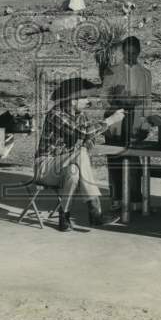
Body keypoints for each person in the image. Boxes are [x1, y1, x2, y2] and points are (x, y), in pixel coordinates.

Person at [34, 77, 125, 231]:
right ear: (73, 99)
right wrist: (109, 121)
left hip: (66, 164)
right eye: (84, 97)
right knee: (80, 154)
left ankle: (64, 218)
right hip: (45, 167)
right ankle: (95, 212)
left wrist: (86, 144)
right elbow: (82, 132)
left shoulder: (80, 116)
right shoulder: (56, 114)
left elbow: (89, 138)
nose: (87, 101)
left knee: (74, 172)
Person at [102, 36, 151, 209]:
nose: (130, 56)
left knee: (134, 160)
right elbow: (104, 99)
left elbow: (147, 102)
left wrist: (145, 124)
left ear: (139, 52)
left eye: (134, 53)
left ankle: (136, 199)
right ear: (122, 52)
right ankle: (116, 199)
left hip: (135, 121)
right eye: (127, 53)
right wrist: (118, 103)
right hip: (115, 120)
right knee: (115, 158)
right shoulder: (111, 71)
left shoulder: (145, 74)